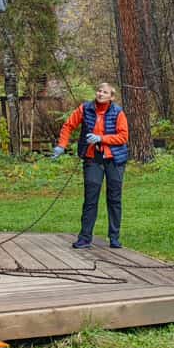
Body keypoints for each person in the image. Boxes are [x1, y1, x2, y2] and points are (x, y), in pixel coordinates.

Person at [52, 82, 129, 249]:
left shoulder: (118, 112)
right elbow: (68, 125)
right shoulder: (85, 109)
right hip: (92, 158)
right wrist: (61, 145)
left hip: (114, 160)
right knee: (90, 198)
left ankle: (114, 237)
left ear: (111, 97)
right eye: (99, 91)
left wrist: (102, 139)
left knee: (114, 198)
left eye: (105, 92)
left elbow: (123, 137)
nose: (100, 94)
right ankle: (85, 238)